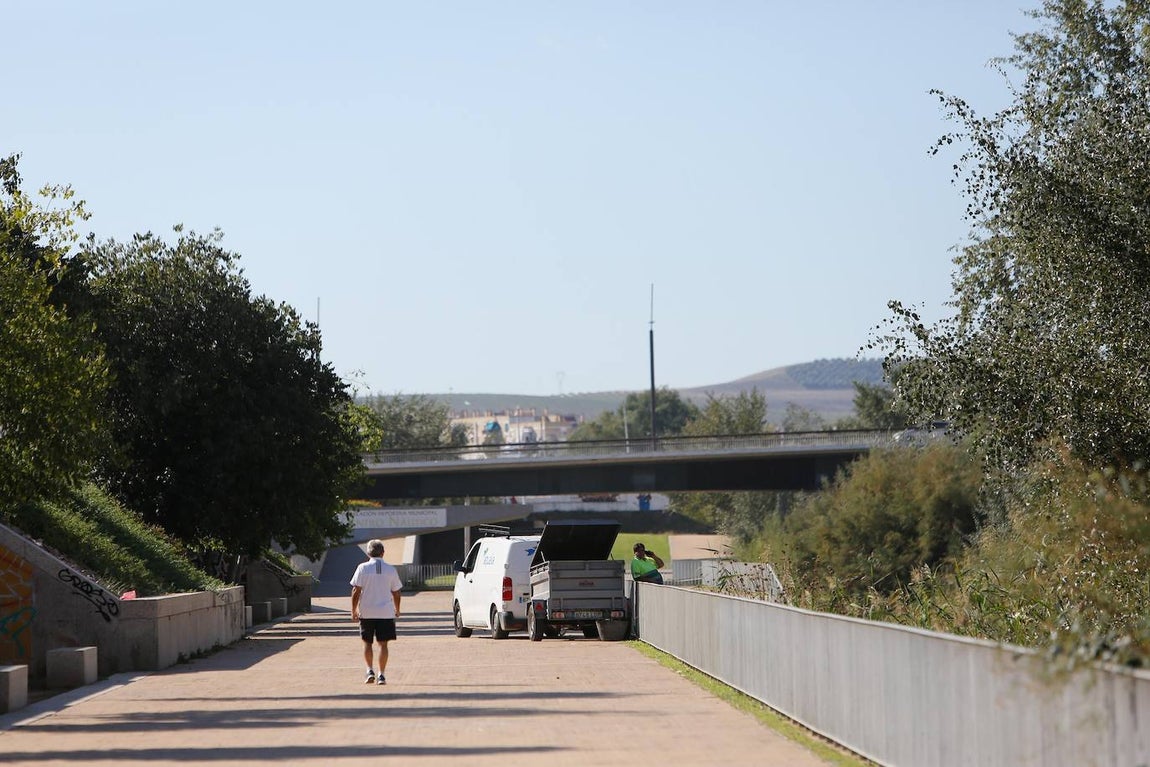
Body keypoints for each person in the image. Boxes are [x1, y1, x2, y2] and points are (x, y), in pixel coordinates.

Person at [350, 539, 403, 685]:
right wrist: (397, 610)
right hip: (385, 612)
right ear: (383, 553)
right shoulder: (390, 569)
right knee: (383, 644)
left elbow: (356, 590)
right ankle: (381, 674)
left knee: (367, 643)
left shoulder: (362, 568)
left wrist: (353, 610)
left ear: (368, 553)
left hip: (367, 611)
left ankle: (369, 670)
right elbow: (396, 592)